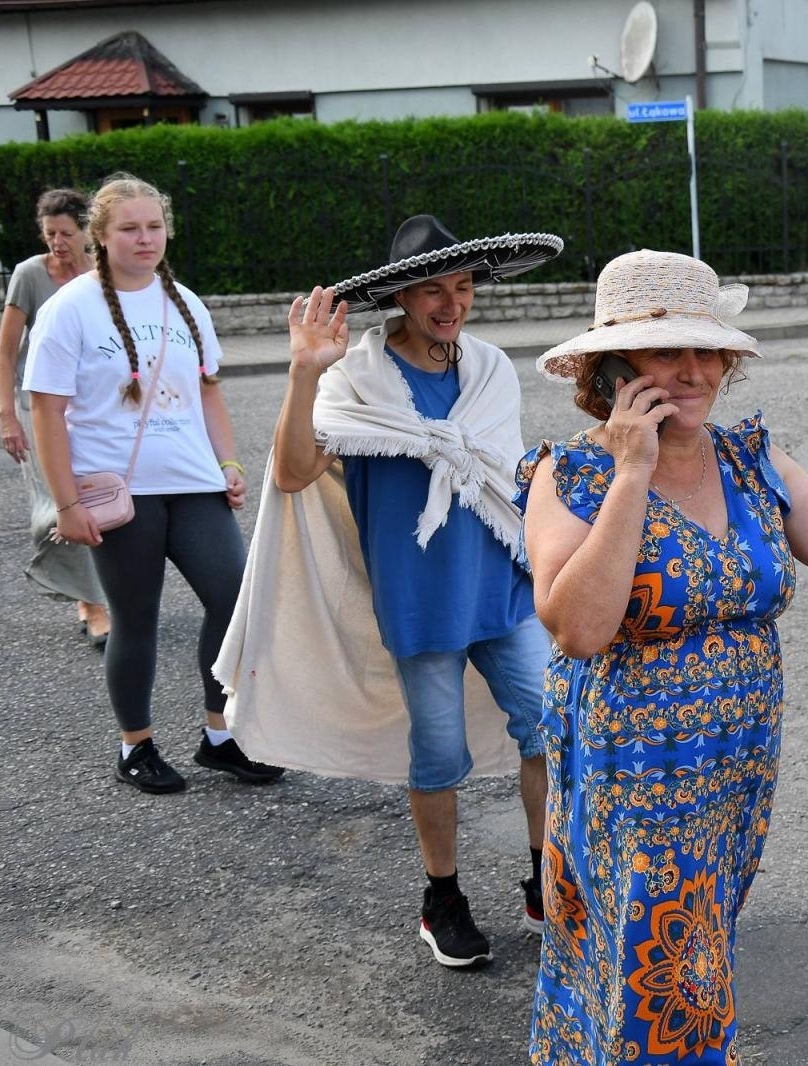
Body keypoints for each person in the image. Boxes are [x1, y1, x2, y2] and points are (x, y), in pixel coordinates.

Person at [517, 249, 808, 1063]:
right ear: (614, 363)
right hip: (635, 781)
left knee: (688, 960)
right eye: (668, 351)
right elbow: (578, 628)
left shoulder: (749, 458)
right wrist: (634, 473)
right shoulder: (573, 472)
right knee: (655, 976)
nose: (694, 370)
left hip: (734, 775)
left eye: (707, 349)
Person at [218, 215, 565, 969]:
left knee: (552, 727)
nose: (452, 302)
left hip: (503, 582)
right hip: (420, 601)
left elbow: (504, 476)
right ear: (401, 295)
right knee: (438, 756)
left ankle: (548, 879)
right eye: (434, 288)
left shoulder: (491, 369)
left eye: (464, 286)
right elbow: (291, 473)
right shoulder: (355, 379)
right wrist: (305, 370)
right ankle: (442, 898)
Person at [22, 173, 281, 795]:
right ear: (101, 237)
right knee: (136, 618)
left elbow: (209, 392)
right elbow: (46, 411)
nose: (145, 239)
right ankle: (135, 745)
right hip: (119, 492)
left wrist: (229, 463)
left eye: (154, 226)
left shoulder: (186, 302)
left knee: (233, 602)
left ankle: (220, 736)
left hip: (194, 484)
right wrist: (66, 502)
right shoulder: (70, 308)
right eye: (130, 229)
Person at [0, 187, 110, 647]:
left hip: (95, 410)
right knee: (63, 505)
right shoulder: (29, 275)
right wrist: (7, 416)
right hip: (42, 408)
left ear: (87, 232)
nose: (57, 242)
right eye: (49, 234)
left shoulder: (104, 275)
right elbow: (5, 354)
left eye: (65, 233)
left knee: (101, 501)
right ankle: (93, 605)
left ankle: (104, 593)